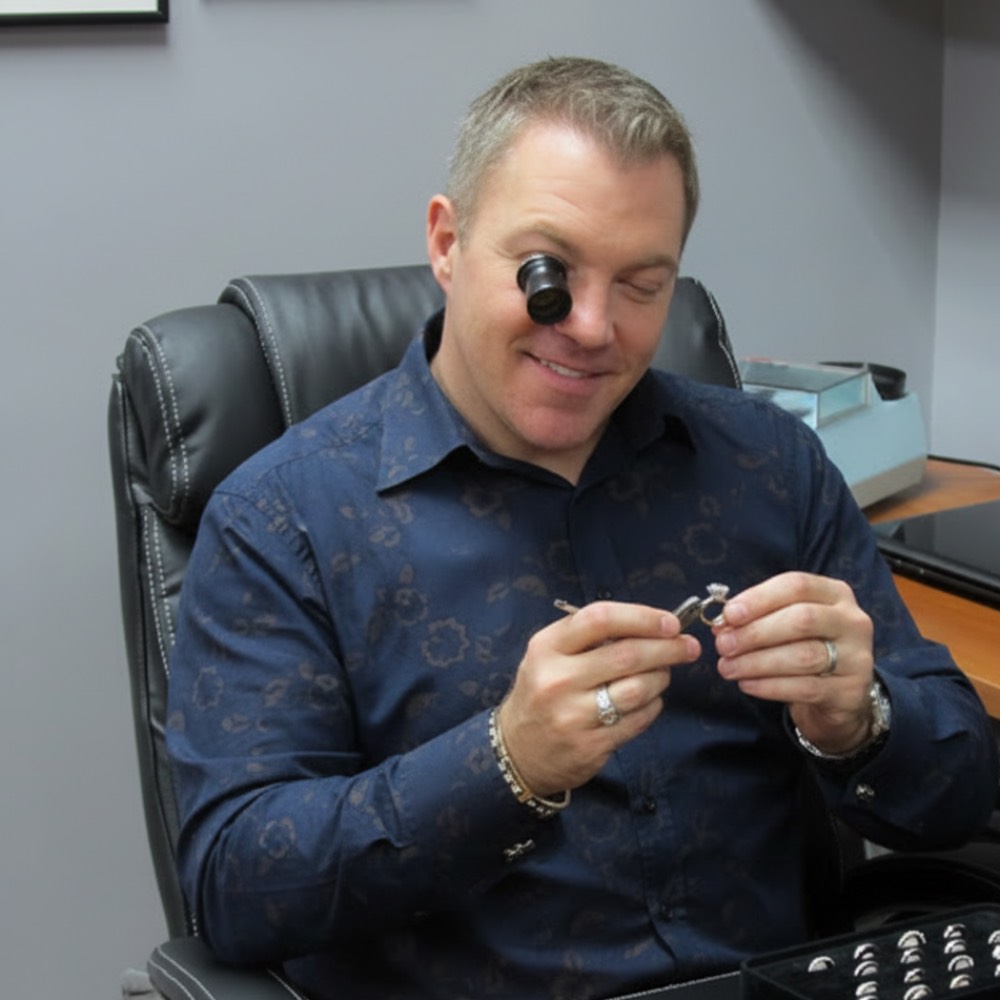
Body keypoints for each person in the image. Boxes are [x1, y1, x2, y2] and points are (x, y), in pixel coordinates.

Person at [167, 56, 998, 1000]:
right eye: (548, 273)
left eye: (643, 286)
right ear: (447, 242)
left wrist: (862, 722)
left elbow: (963, 792)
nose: (594, 328)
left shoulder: (770, 465)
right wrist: (504, 764)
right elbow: (236, 887)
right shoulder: (282, 518)